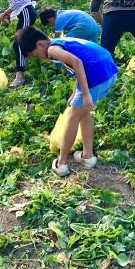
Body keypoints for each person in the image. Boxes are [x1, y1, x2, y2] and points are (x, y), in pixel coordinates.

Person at [15, 27, 118, 177]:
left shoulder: (51, 50)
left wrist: (86, 93)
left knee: (72, 116)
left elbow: (76, 63)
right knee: (83, 114)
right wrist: (75, 93)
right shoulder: (62, 41)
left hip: (97, 75)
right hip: (108, 72)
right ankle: (87, 156)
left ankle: (61, 163)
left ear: (40, 45)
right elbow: (81, 63)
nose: (40, 57)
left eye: (34, 55)